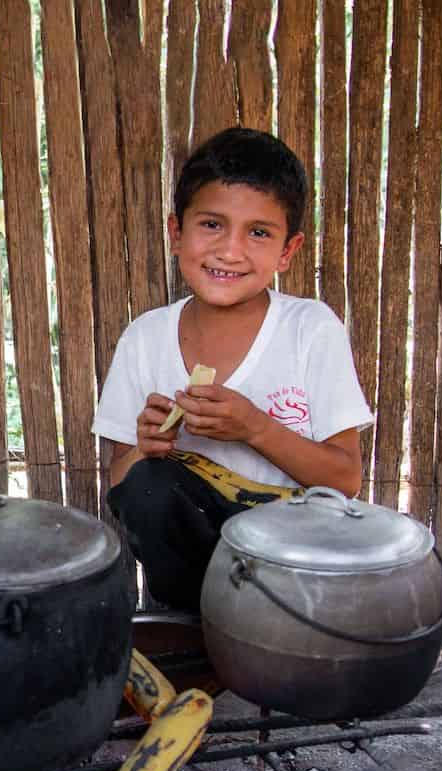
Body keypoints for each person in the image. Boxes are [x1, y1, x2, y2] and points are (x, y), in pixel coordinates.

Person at [92, 127, 373, 613]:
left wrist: (255, 428)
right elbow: (121, 484)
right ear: (176, 233)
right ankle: (198, 628)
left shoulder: (310, 329)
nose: (230, 250)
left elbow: (345, 479)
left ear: (288, 249)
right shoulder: (145, 337)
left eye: (259, 232)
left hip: (296, 566)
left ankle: (277, 626)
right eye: (212, 225)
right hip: (195, 574)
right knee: (147, 486)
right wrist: (145, 447)